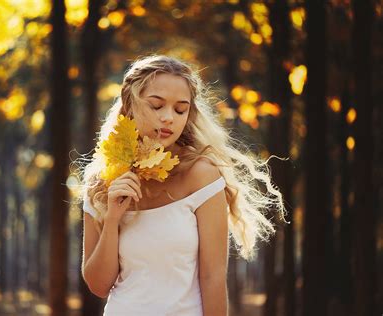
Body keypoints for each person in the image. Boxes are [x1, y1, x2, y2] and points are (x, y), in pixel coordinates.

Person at [77, 55, 286, 315]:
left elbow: (212, 278)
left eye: (180, 109)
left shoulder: (202, 176)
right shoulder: (101, 181)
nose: (168, 118)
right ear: (130, 104)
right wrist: (112, 219)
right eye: (156, 105)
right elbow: (99, 285)